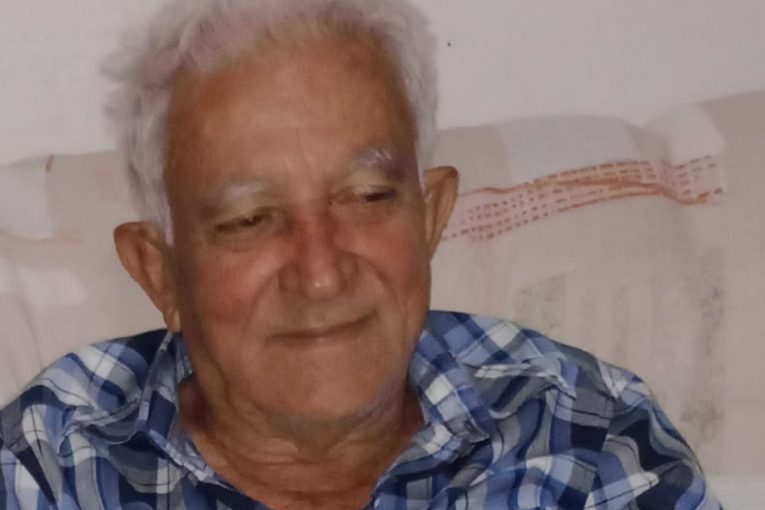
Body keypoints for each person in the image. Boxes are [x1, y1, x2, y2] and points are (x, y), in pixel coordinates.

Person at [0, 0, 721, 508]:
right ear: (160, 273)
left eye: (368, 196)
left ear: (430, 217)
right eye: (250, 219)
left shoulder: (585, 435)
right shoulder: (52, 466)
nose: (321, 273)